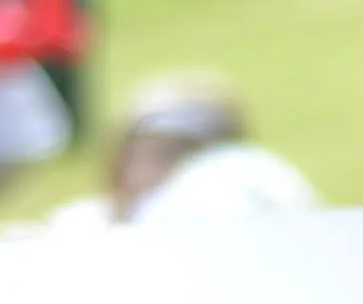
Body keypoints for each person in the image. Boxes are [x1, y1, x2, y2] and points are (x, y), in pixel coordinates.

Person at [39, 72, 317, 235]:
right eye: (149, 153)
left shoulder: (243, 196)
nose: (149, 171)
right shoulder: (75, 227)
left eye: (179, 153)